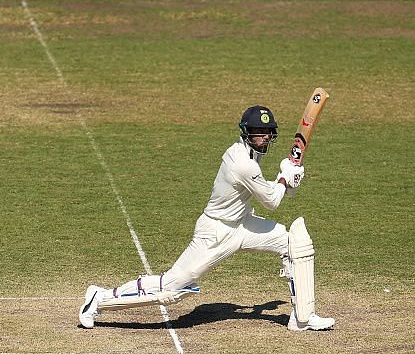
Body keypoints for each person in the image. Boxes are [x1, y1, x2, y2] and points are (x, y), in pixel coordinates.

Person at [79, 105, 335, 331]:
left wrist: (289, 179)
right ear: (247, 133)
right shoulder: (242, 163)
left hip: (243, 225)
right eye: (259, 132)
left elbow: (272, 192)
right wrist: (285, 176)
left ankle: (302, 317)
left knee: (294, 243)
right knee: (172, 289)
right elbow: (272, 200)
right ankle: (99, 299)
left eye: (268, 132)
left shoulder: (250, 155)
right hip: (215, 233)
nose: (265, 137)